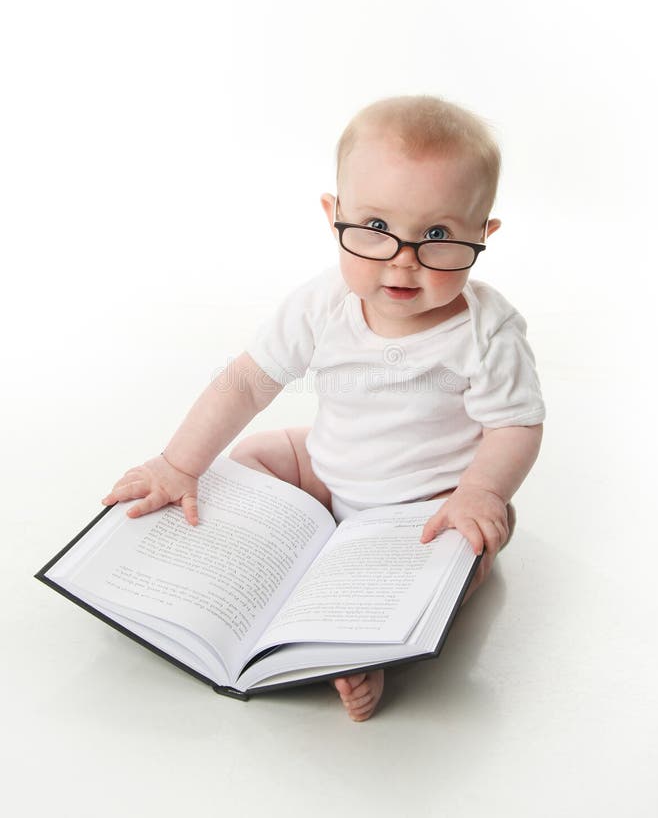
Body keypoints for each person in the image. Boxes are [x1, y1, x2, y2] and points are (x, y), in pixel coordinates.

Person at [101, 94, 545, 722]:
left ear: (483, 234)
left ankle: (367, 649)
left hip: (424, 504)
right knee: (255, 453)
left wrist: (481, 491)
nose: (403, 259)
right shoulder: (322, 303)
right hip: (329, 470)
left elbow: (515, 425)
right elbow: (245, 383)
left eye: (438, 235)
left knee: (463, 552)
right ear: (334, 214)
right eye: (375, 226)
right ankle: (273, 547)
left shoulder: (485, 331)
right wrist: (177, 464)